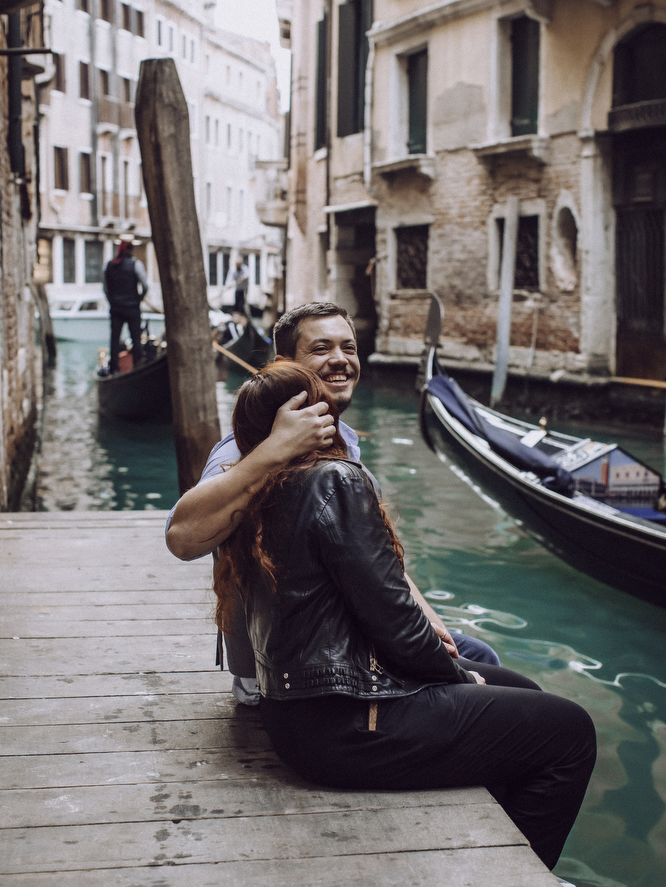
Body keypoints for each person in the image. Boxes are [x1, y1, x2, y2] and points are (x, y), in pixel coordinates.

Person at [211, 360, 596, 873]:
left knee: (524, 691)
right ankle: (519, 876)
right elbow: (395, 620)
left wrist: (461, 675)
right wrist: (461, 677)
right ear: (311, 417)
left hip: (302, 716)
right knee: (571, 732)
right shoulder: (332, 480)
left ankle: (499, 847)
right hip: (346, 722)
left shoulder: (252, 489)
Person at [167, 303, 500, 707]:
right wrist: (274, 450)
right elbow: (182, 539)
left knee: (479, 655)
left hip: (347, 639)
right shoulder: (246, 445)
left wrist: (428, 618)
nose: (340, 360)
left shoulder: (342, 438)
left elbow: (371, 561)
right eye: (321, 349)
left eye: (349, 348)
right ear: (285, 364)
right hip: (285, 674)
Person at [103, 238, 148, 374]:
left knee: (115, 338)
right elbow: (145, 286)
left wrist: (112, 301)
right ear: (130, 249)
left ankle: (114, 368)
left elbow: (105, 289)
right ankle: (138, 365)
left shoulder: (108, 265)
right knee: (136, 337)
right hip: (132, 307)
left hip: (116, 307)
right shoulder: (136, 265)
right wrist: (140, 298)